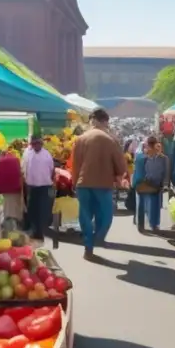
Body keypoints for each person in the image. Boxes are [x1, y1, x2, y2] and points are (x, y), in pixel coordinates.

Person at [71, 108, 127, 258]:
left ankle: (88, 246)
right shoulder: (111, 139)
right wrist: (120, 177)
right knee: (105, 215)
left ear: (92, 121)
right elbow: (120, 165)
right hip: (103, 184)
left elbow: (75, 165)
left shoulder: (80, 139)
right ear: (105, 122)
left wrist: (74, 182)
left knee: (85, 215)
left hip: (83, 184)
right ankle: (98, 237)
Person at [21, 136, 55, 241]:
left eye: (38, 143)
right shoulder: (27, 154)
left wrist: (51, 184)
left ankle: (40, 231)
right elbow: (23, 169)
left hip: (45, 186)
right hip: (31, 186)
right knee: (32, 209)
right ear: (31, 144)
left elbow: (52, 170)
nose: (36, 145)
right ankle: (34, 230)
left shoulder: (47, 154)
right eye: (34, 143)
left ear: (42, 144)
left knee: (43, 209)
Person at [134, 137, 168, 232]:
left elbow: (165, 171)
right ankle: (149, 224)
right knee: (147, 204)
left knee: (152, 204)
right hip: (146, 183)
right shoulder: (143, 157)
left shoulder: (162, 158)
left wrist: (164, 184)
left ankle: (152, 224)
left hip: (154, 184)